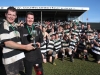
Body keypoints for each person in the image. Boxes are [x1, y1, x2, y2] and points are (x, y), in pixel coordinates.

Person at [0, 6, 34, 75]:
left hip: (17, 58)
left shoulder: (14, 26)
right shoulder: (4, 25)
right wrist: (25, 47)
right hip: (10, 60)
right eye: (9, 14)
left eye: (13, 15)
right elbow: (7, 43)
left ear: (16, 16)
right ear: (5, 14)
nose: (11, 17)